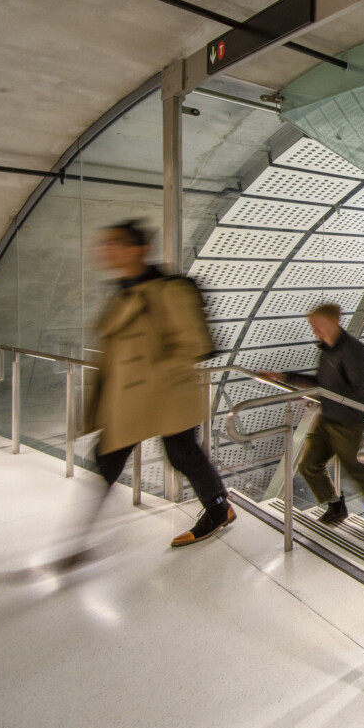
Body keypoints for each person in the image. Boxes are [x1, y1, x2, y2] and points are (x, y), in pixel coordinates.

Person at [83, 219, 234, 550]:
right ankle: (78, 540)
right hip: (133, 398)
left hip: (167, 396)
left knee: (182, 455)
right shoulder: (125, 292)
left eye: (115, 244)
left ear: (139, 250)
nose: (106, 252)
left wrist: (152, 374)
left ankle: (219, 508)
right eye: (105, 245)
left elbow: (193, 343)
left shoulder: (169, 289)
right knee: (106, 460)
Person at [261, 303, 364, 531]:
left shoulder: (353, 350)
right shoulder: (327, 349)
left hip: (349, 419)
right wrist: (285, 377)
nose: (314, 331)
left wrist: (324, 394)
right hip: (328, 415)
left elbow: (356, 388)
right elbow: (321, 383)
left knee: (351, 465)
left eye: (318, 326)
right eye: (313, 326)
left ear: (334, 322)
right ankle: (335, 505)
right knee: (309, 465)